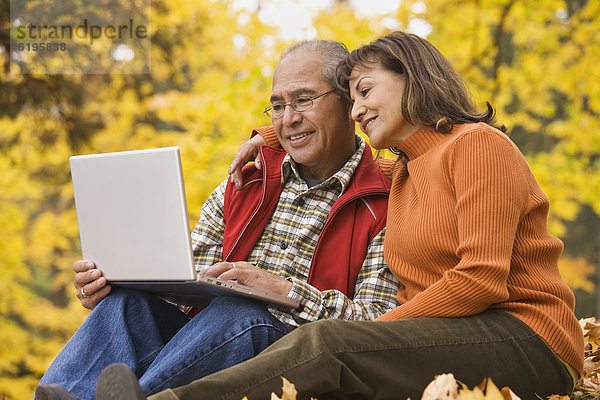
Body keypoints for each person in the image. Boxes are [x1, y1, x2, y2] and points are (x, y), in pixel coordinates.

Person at [81, 30, 583, 400]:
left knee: (326, 341)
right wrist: (268, 137)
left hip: (526, 336)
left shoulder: (477, 147)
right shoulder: (402, 173)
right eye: (355, 97)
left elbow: (481, 281)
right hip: (448, 334)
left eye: (366, 91)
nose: (360, 109)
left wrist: (380, 333)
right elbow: (319, 140)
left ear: (411, 79)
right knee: (125, 305)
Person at [35, 40, 402, 400]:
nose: (289, 119)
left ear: (348, 102)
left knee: (242, 312)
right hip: (208, 348)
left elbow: (376, 323)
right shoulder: (246, 178)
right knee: (125, 305)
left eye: (304, 100)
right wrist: (114, 279)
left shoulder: (386, 198)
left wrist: (283, 291)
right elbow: (184, 280)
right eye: (277, 106)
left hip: (297, 361)